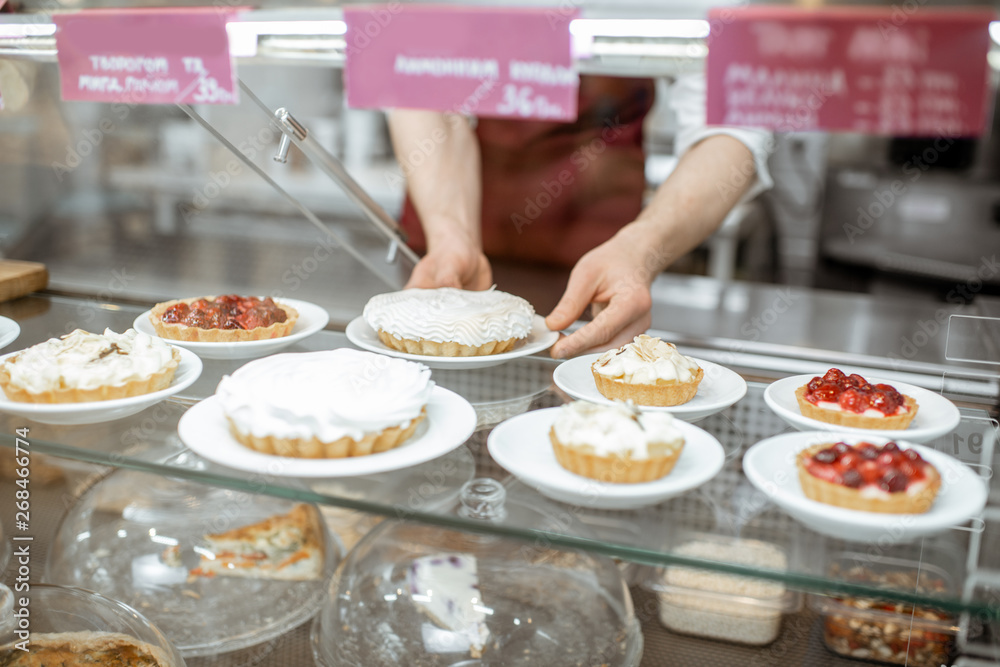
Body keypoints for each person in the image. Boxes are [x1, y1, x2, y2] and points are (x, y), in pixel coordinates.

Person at [387, 74, 773, 359]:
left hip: (600, 260)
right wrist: (449, 234)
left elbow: (731, 125)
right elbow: (417, 70)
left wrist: (641, 249)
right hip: (449, 250)